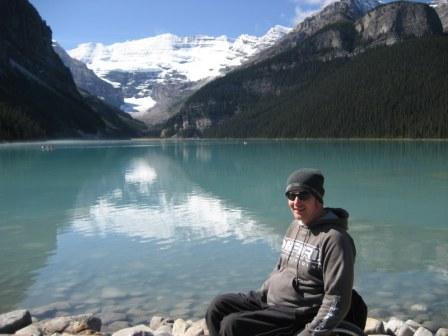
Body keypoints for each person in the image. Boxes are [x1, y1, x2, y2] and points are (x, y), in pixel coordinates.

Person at [205, 168, 357, 336]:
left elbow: (337, 300)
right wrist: (264, 292)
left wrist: (310, 333)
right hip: (269, 299)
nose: (296, 202)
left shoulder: (335, 240)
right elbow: (281, 268)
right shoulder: (295, 226)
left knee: (232, 325)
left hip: (297, 311)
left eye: (303, 195)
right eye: (291, 196)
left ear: (318, 199)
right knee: (217, 308)